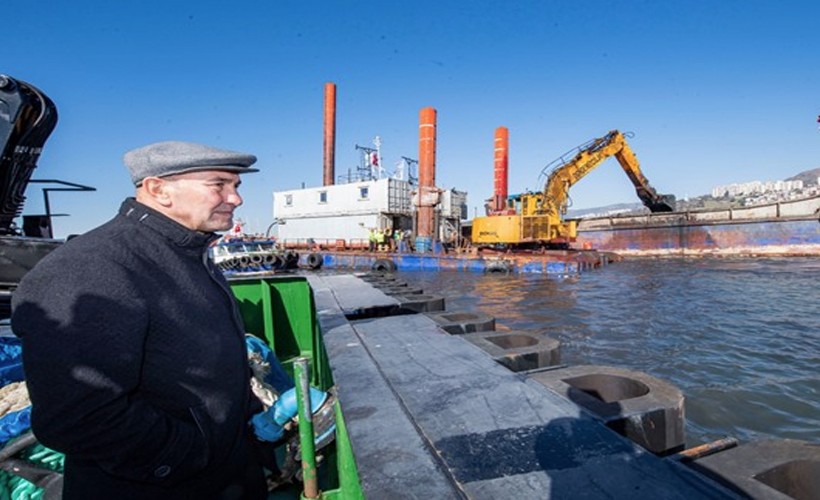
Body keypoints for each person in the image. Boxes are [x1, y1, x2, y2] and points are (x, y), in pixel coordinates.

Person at [11, 141, 302, 499]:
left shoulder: (187, 254)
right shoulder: (90, 268)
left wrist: (251, 427)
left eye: (236, 185)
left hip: (225, 473)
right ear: (158, 189)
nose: (236, 198)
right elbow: (78, 417)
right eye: (219, 185)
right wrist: (191, 453)